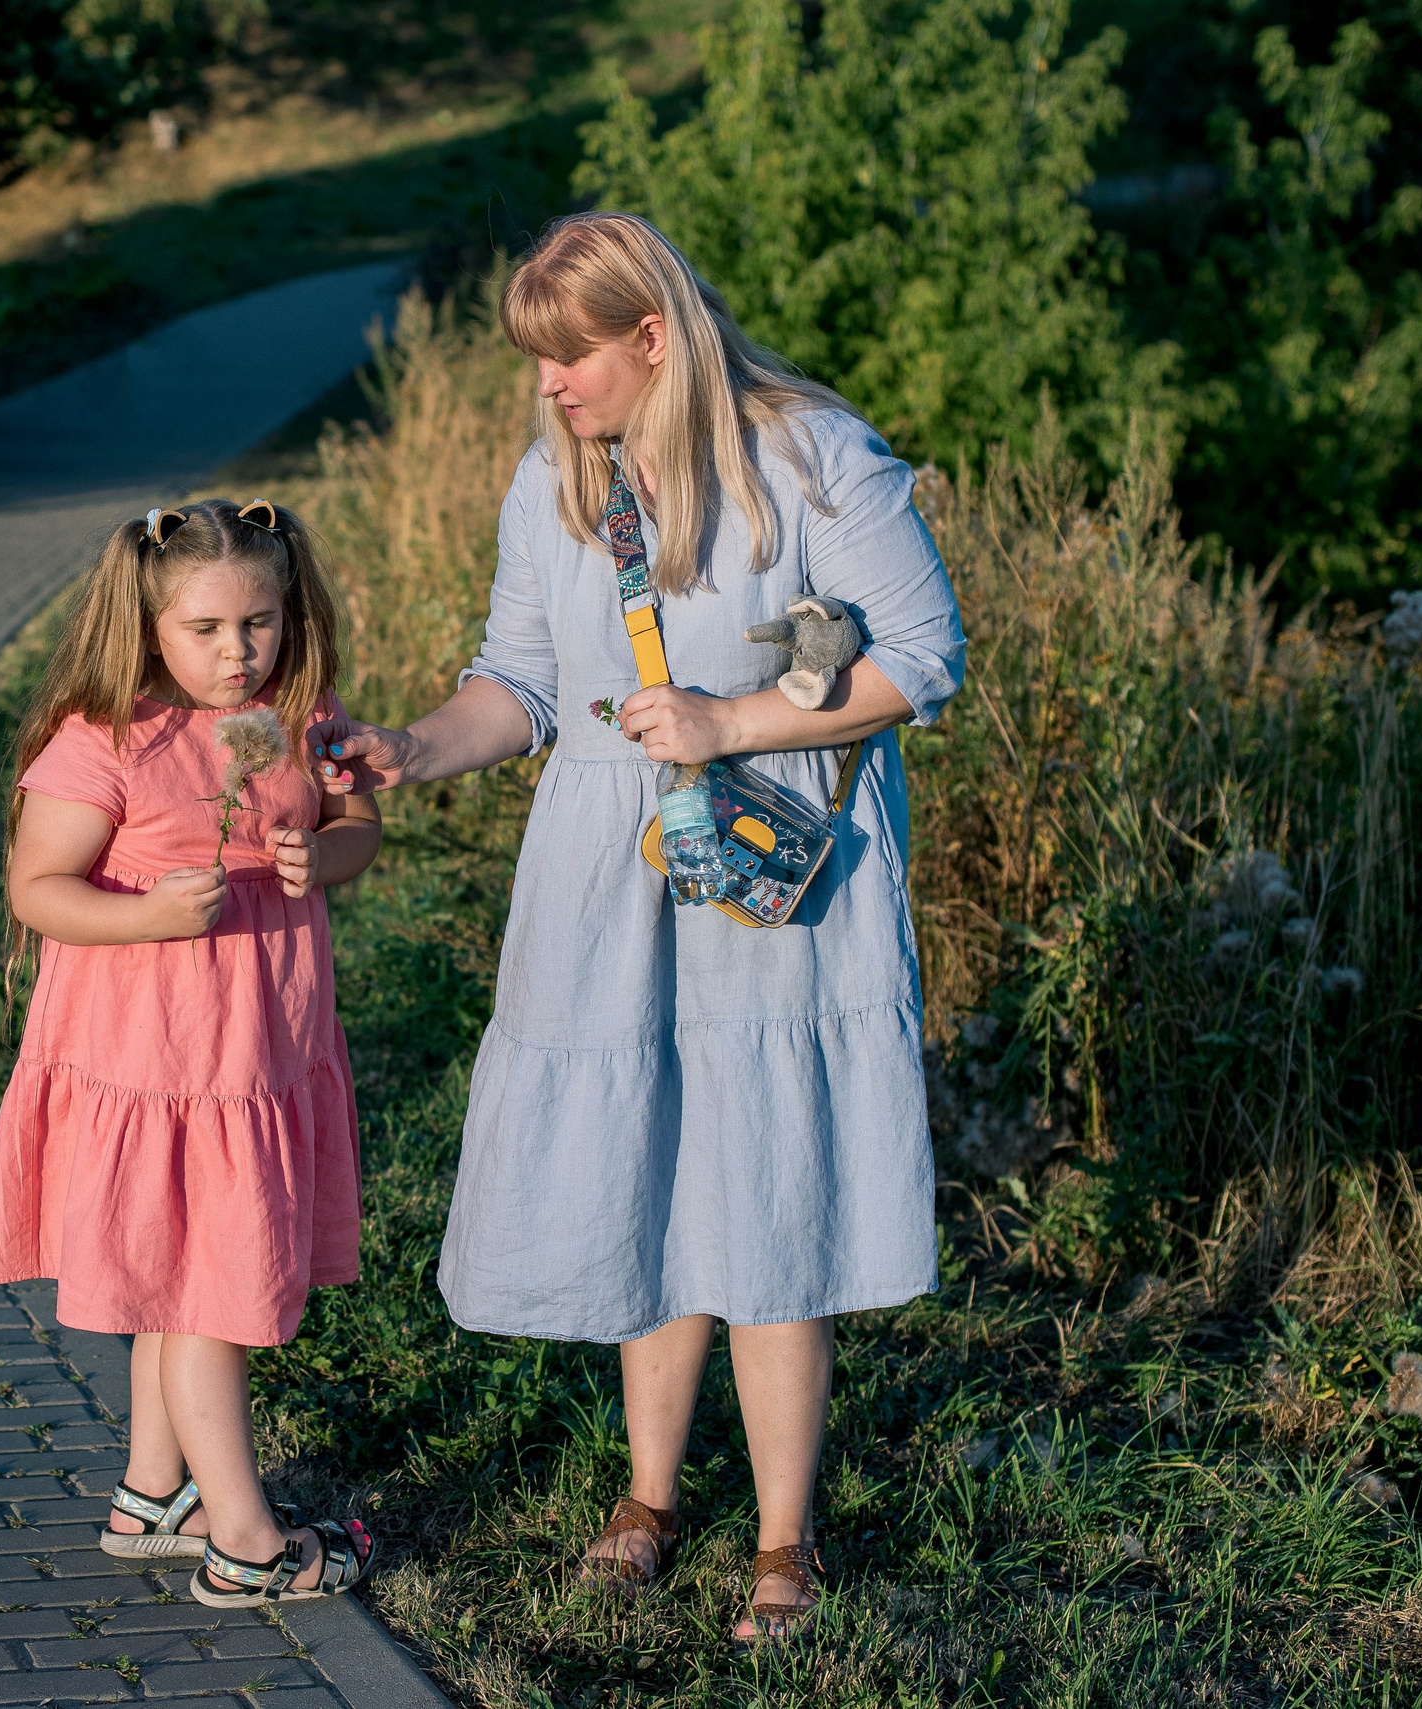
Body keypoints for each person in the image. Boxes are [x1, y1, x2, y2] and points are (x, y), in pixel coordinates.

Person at [308, 213, 965, 1644]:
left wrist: (736, 719)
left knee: (772, 1170)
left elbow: (924, 656)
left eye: (568, 356)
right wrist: (411, 747)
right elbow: (521, 684)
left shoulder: (810, 454)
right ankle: (650, 1497)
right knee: (648, 1153)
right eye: (534, 359)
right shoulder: (554, 483)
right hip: (609, 867)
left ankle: (784, 1539)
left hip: (770, 864)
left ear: (652, 338)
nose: (547, 385)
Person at [0, 498, 384, 1609]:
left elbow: (358, 823)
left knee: (176, 1275)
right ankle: (246, 1540)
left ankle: (154, 1491)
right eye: (205, 629)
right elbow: (37, 888)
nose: (237, 652)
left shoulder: (299, 712)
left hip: (259, 1044)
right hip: (161, 1058)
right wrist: (147, 914)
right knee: (207, 1288)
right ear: (147, 624)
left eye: (260, 622)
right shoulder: (105, 738)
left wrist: (318, 854)